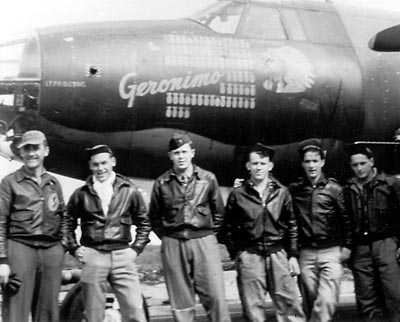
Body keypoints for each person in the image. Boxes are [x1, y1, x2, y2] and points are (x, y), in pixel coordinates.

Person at [149, 133, 231, 322]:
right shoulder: (162, 183)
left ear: (192, 153)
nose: (181, 156)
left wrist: (207, 235)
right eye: (176, 153)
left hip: (203, 241)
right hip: (173, 242)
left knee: (215, 296)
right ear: (170, 156)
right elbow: (154, 217)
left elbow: (218, 212)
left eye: (184, 152)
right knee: (181, 302)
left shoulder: (208, 179)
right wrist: (169, 238)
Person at [67, 144, 151, 322]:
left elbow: (144, 222)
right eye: (95, 165)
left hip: (122, 256)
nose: (100, 169)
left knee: (135, 312)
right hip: (94, 256)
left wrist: (135, 249)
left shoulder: (129, 190)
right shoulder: (81, 194)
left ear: (113, 162)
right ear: (90, 166)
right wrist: (74, 248)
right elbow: (67, 222)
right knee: (93, 315)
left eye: (104, 163)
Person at [222, 143, 305, 322]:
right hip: (250, 256)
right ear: (248, 166)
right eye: (255, 163)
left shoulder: (282, 192)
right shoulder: (238, 194)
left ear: (270, 166)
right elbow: (227, 227)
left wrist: (292, 255)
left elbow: (292, 225)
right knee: (253, 309)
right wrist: (237, 253)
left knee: (290, 305)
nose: (258, 167)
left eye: (262, 163)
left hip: (278, 254)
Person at [0, 130, 70, 322]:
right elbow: (0, 221)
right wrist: (3, 261)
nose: (31, 153)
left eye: (35, 148)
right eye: (27, 149)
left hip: (51, 252)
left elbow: (64, 217)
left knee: (48, 311)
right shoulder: (9, 183)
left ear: (45, 150)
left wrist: (62, 246)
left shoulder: (54, 183)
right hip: (20, 249)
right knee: (16, 311)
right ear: (21, 153)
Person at [288, 138, 352, 322]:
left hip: (331, 252)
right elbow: (291, 222)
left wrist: (347, 246)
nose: (311, 165)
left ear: (322, 162)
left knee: (326, 300)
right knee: (310, 301)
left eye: (315, 161)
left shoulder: (334, 189)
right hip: (305, 253)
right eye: (307, 161)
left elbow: (346, 220)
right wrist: (293, 253)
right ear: (302, 163)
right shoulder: (295, 190)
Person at [344, 144, 400, 322]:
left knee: (394, 294)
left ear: (372, 162)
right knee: (366, 298)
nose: (359, 168)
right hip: (360, 249)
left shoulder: (391, 184)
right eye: (355, 165)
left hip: (386, 244)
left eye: (363, 163)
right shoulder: (348, 189)